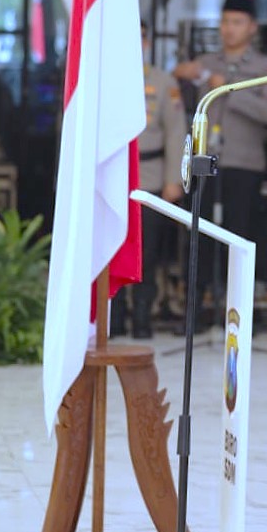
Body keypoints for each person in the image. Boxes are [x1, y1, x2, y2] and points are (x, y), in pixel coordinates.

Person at [172, 0, 267, 301]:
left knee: (238, 233)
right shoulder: (206, 63)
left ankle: (237, 302)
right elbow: (178, 103)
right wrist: (181, 75)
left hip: (243, 162)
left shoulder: (266, 67)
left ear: (252, 27)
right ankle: (200, 301)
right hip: (203, 160)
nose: (229, 29)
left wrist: (228, 90)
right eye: (225, 21)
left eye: (237, 22)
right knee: (201, 232)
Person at [110, 20, 185, 339]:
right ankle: (113, 318)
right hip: (113, 178)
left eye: (140, 38)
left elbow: (176, 132)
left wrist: (173, 179)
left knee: (146, 254)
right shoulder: (106, 79)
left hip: (151, 176)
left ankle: (143, 318)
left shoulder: (162, 82)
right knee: (111, 250)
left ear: (146, 43)